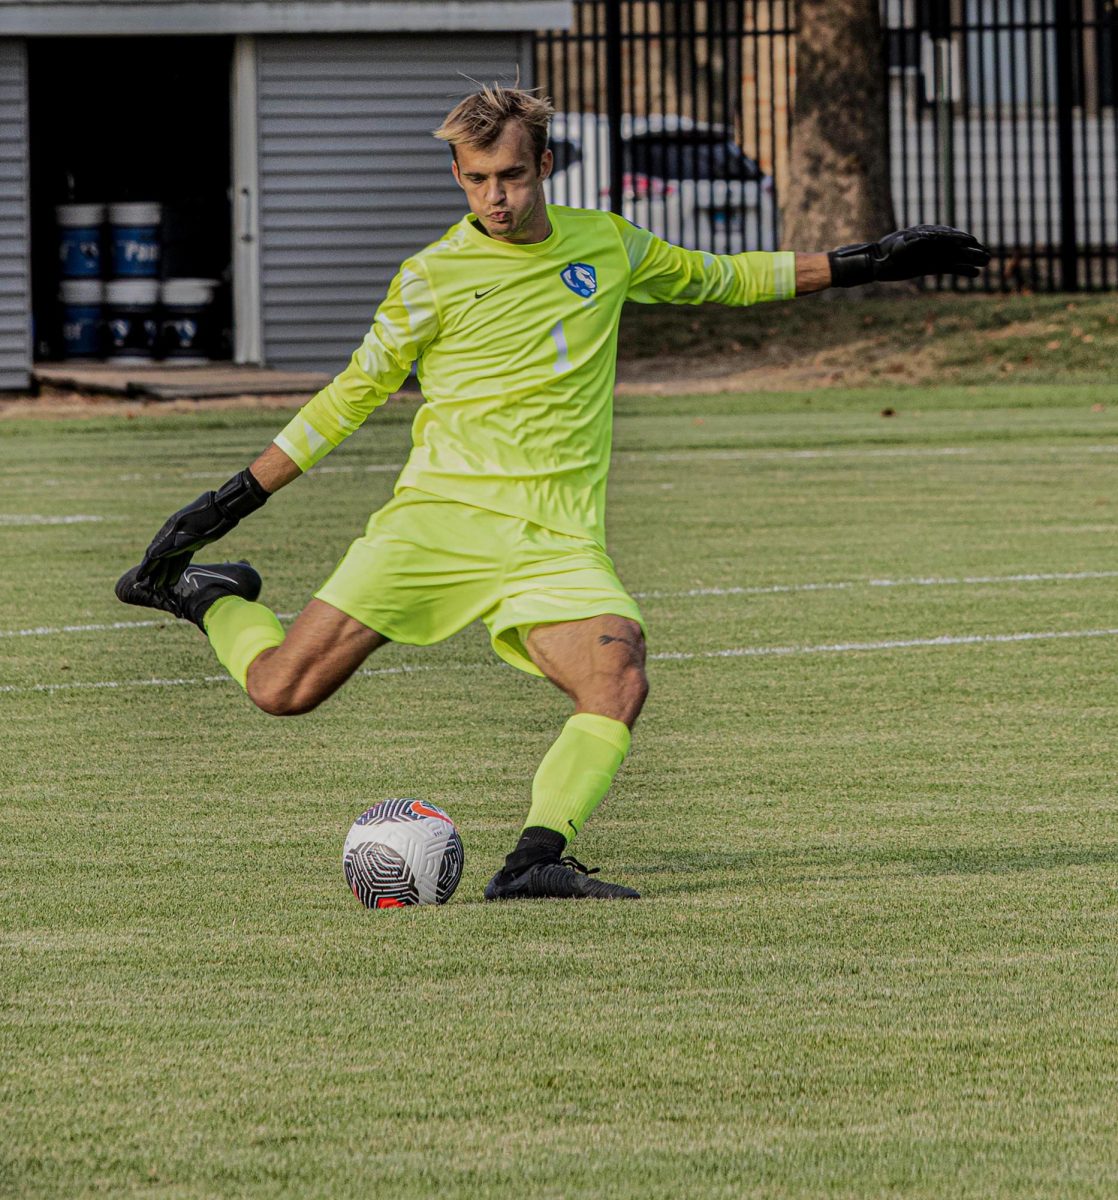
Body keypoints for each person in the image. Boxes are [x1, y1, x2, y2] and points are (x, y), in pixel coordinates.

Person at [116, 85, 990, 901]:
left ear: (543, 167)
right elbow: (352, 394)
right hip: (437, 524)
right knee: (281, 690)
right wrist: (229, 503)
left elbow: (720, 278)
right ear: (458, 177)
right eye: (478, 181)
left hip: (555, 541)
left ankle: (536, 860)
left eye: (513, 176)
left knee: (617, 677)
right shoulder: (430, 277)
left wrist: (865, 262)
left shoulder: (606, 244)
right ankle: (211, 597)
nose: (497, 198)